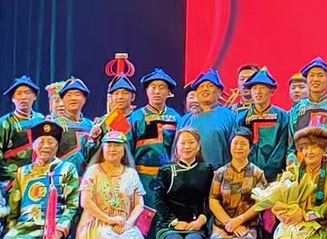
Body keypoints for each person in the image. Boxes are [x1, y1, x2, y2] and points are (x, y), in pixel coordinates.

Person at [71, 115, 148, 239]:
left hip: (123, 222)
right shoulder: (94, 171)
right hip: (96, 222)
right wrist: (109, 219)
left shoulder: (130, 173)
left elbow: (139, 204)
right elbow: (85, 202)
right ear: (102, 149)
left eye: (117, 146)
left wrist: (129, 223)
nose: (112, 149)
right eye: (109, 146)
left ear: (124, 150)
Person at [151, 127, 214, 239]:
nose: (187, 146)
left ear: (198, 146)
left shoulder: (206, 170)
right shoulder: (166, 170)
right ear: (176, 146)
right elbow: (159, 201)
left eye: (191, 142)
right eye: (182, 143)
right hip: (168, 225)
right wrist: (174, 222)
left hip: (196, 224)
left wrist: (202, 219)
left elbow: (211, 200)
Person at [208, 128, 267, 239]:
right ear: (229, 146)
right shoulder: (220, 173)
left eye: (243, 144)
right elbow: (213, 200)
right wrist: (229, 223)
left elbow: (261, 203)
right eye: (236, 143)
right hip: (223, 225)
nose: (239, 147)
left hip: (248, 225)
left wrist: (240, 220)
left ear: (250, 147)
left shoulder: (257, 173)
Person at [131, 68, 180, 204]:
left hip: (170, 176)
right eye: (153, 87)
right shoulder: (135, 117)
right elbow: (127, 148)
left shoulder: (177, 118)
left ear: (168, 92)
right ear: (146, 90)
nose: (157, 91)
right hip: (141, 176)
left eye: (162, 87)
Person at [178, 68, 242, 167]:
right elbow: (176, 152)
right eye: (201, 86)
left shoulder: (230, 116)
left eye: (210, 86)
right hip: (189, 172)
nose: (205, 89)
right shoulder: (185, 120)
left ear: (220, 91)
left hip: (220, 173)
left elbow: (237, 149)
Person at [236, 67, 291, 181]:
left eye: (263, 87)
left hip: (274, 174)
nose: (258, 92)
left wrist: (270, 171)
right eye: (254, 88)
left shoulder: (282, 116)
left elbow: (282, 146)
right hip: (247, 173)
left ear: (271, 91)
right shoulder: (242, 118)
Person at [0, 76, 44, 193]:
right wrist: (12, 176)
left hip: (39, 179)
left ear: (35, 96)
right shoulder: (5, 122)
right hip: (12, 182)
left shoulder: (41, 120)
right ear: (13, 98)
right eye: (19, 93)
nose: (23, 97)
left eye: (27, 93)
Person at [86, 72, 139, 168]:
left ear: (133, 97)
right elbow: (90, 154)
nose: (120, 97)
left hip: (132, 170)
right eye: (116, 93)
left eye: (125, 93)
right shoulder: (102, 122)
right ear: (111, 97)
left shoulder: (138, 119)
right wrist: (94, 139)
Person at [288, 57, 327, 141]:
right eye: (312, 75)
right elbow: (291, 141)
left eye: (320, 75)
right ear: (306, 80)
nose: (316, 79)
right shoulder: (296, 109)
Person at [53, 77, 94, 166]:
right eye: (69, 95)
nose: (73, 98)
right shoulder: (55, 125)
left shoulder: (91, 125)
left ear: (84, 99)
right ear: (62, 100)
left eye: (77, 94)